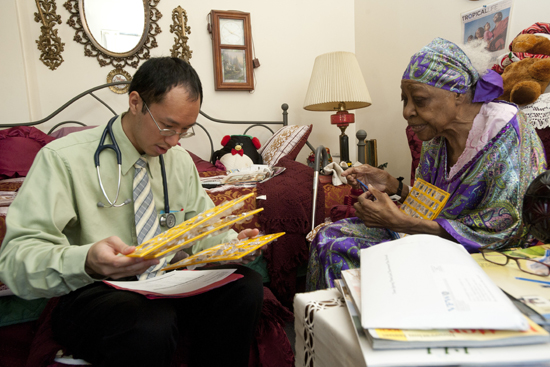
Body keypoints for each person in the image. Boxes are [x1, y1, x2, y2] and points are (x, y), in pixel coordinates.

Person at [0, 57, 264, 366]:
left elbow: (200, 227)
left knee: (244, 285)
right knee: (150, 321)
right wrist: (87, 261)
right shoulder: (62, 159)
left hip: (166, 282)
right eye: (167, 126)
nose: (174, 141)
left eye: (185, 130)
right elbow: (15, 260)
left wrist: (232, 245)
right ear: (135, 102)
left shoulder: (178, 160)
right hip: (96, 289)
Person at [306, 38, 547, 291]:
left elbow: (507, 230)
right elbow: (431, 203)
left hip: (486, 253)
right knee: (328, 235)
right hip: (430, 236)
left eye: (419, 100)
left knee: (339, 249)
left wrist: (403, 223)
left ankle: (373, 326)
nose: (407, 111)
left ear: (458, 94)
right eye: (404, 99)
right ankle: (337, 327)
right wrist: (393, 186)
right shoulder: (436, 135)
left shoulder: (507, 134)